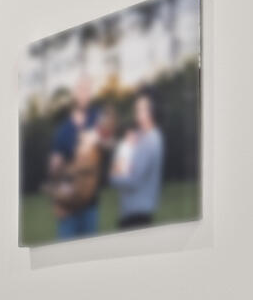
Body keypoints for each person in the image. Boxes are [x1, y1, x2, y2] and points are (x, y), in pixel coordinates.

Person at [44, 98, 106, 238]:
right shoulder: (62, 134)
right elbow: (54, 171)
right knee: (66, 254)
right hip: (68, 209)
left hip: (89, 206)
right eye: (76, 114)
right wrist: (56, 203)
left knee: (90, 253)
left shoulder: (94, 132)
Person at [110, 92, 165, 230]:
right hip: (130, 212)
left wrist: (114, 177)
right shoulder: (140, 137)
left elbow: (133, 179)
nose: (137, 113)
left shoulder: (151, 140)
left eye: (141, 109)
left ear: (151, 111)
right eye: (136, 109)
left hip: (138, 216)